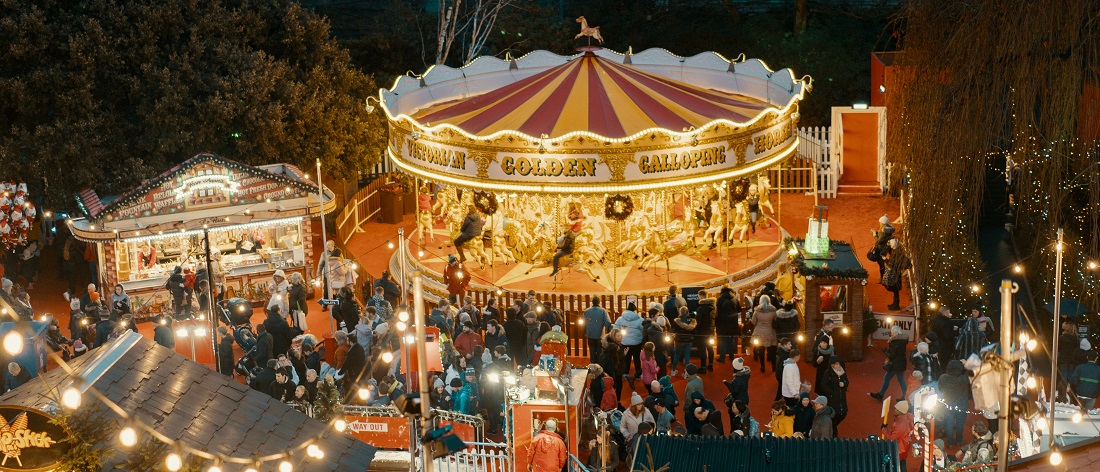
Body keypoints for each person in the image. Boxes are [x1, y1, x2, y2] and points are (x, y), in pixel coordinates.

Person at [871, 325, 909, 401]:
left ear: (894, 332)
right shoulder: (903, 340)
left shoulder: (894, 342)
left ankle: (881, 394)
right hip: (901, 362)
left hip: (895, 363)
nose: (891, 333)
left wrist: (885, 351)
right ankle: (906, 396)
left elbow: (891, 355)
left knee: (887, 378)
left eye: (891, 331)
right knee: (901, 380)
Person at [938, 360, 970, 448]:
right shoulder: (963, 378)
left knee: (949, 424)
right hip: (962, 405)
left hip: (948, 404)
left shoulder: (943, 378)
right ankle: (959, 441)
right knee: (960, 424)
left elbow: (940, 389)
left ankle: (950, 443)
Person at [819, 355, 849, 435]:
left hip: (842, 398)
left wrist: (844, 384)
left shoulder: (842, 372)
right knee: (833, 416)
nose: (837, 366)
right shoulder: (828, 373)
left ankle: (832, 429)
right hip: (833, 400)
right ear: (832, 364)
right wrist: (832, 393)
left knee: (843, 414)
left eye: (838, 364)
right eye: (836, 364)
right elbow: (824, 385)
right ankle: (833, 434)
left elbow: (847, 382)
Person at [614, 302, 644, 378]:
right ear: (635, 311)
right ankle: (638, 375)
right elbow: (643, 329)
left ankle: (625, 373)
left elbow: (615, 329)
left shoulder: (620, 319)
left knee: (626, 358)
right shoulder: (640, 319)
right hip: (637, 342)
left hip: (624, 342)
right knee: (637, 358)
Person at [883, 400, 914, 471]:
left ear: (901, 411)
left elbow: (892, 438)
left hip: (898, 449)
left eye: (897, 409)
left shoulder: (901, 423)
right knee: (902, 464)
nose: (894, 410)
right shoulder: (907, 418)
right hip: (904, 447)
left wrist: (884, 429)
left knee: (894, 466)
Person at [751, 295, 779, 373]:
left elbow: (753, 322)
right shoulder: (773, 310)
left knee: (761, 350)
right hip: (770, 331)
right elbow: (776, 319)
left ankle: (762, 366)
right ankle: (773, 365)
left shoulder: (757, 311)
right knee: (772, 350)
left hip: (759, 332)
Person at [881, 239, 911, 310]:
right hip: (895, 274)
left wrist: (885, 259)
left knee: (895, 291)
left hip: (894, 275)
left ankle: (896, 305)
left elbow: (892, 264)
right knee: (895, 292)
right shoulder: (897, 251)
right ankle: (895, 304)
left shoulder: (897, 254)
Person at [599, 329, 627, 403]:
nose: (620, 337)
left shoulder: (611, 345)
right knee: (617, 387)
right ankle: (616, 402)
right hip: (615, 371)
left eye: (621, 335)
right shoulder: (614, 348)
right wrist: (623, 355)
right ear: (613, 336)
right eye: (618, 336)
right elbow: (614, 361)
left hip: (616, 370)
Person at [715, 287, 742, 363]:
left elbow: (717, 311)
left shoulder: (720, 299)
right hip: (733, 322)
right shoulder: (735, 298)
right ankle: (732, 357)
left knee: (723, 340)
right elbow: (739, 309)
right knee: (731, 339)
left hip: (723, 322)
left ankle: (722, 358)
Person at [584, 296, 612, 363]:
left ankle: (593, 364)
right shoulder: (603, 311)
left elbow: (583, 322)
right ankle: (599, 365)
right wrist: (608, 329)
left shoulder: (587, 311)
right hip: (599, 335)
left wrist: (585, 331)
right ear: (599, 302)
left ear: (592, 302)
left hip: (590, 334)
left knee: (592, 350)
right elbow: (607, 322)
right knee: (600, 351)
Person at [670, 306, 696, 377]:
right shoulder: (692, 321)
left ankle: (673, 371)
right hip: (688, 341)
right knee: (687, 356)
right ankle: (686, 374)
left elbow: (673, 330)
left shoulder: (676, 321)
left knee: (677, 355)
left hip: (679, 341)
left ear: (680, 312)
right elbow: (694, 332)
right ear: (687, 312)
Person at [931, 306, 959, 371]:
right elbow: (947, 336)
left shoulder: (935, 320)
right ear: (945, 313)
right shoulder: (944, 322)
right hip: (945, 347)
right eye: (949, 312)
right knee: (945, 365)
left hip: (937, 345)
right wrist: (954, 331)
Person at [695, 289, 716, 372]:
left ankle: (703, 367)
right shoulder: (713, 307)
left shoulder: (700, 308)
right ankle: (710, 364)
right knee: (710, 348)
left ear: (701, 297)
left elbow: (698, 322)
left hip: (702, 332)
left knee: (703, 349)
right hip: (711, 331)